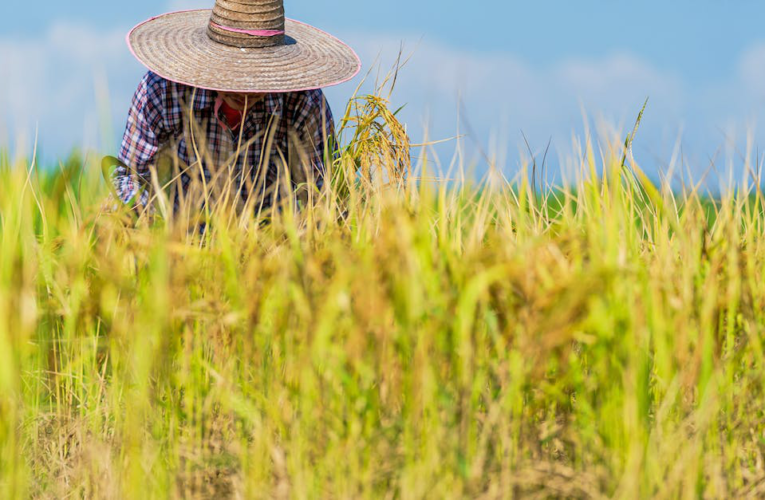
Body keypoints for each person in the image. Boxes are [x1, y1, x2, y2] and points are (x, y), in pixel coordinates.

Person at [112, 0, 360, 214]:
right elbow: (131, 179)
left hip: (269, 251)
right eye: (234, 74)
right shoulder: (163, 91)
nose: (245, 90)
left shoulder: (302, 103)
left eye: (258, 76)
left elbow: (323, 193)